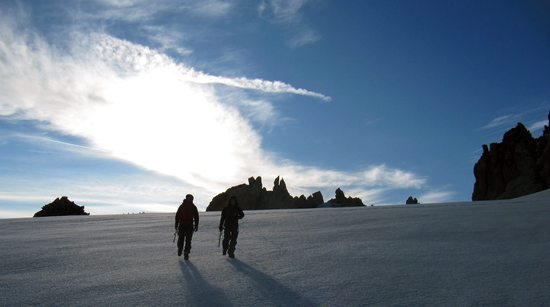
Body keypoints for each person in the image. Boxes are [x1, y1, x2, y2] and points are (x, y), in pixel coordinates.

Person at [175, 194, 199, 260]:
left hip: (189, 225)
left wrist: (196, 225)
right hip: (183, 225)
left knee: (188, 240)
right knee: (181, 239)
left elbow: (196, 217)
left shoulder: (192, 207)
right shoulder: (183, 206)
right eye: (189, 198)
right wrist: (176, 225)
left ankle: (186, 253)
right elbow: (177, 216)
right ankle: (180, 249)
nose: (190, 199)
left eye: (191, 198)